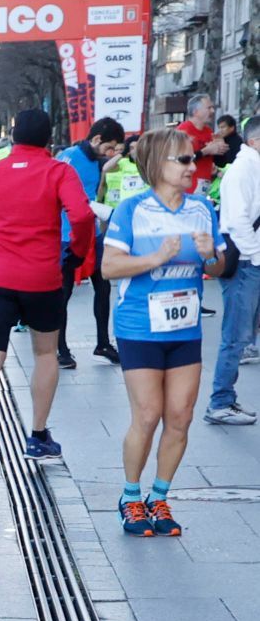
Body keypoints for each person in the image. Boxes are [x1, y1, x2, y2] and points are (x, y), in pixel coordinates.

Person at [0, 109, 95, 473]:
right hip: (42, 278)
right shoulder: (59, 171)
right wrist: (76, 252)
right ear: (49, 140)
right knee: (46, 353)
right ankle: (37, 435)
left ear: (13, 137)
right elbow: (80, 215)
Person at [101, 127, 224, 536]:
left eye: (192, 159)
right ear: (158, 165)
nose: (193, 167)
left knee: (180, 417)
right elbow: (109, 268)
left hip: (185, 328)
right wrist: (155, 257)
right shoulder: (132, 210)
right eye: (184, 160)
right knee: (148, 414)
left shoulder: (202, 208)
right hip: (139, 326)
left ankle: (160, 497)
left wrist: (211, 256)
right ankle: (130, 496)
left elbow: (220, 267)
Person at [56, 116, 127, 367]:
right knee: (63, 293)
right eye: (109, 147)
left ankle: (103, 343)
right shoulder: (68, 158)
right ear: (96, 139)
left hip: (93, 232)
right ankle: (60, 348)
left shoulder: (98, 162)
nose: (110, 153)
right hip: (66, 235)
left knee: (103, 285)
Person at [206, 115, 260, 426]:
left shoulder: (250, 166)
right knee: (235, 336)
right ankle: (220, 402)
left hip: (248, 260)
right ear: (254, 141)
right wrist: (255, 256)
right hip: (243, 263)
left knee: (241, 334)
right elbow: (238, 221)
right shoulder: (243, 170)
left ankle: (226, 398)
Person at [179, 94, 229, 191]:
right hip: (185, 188)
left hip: (204, 187)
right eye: (209, 108)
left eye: (212, 108)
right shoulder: (182, 131)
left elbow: (221, 163)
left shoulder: (209, 132)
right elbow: (181, 160)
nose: (212, 111)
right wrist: (206, 151)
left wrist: (221, 148)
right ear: (196, 112)